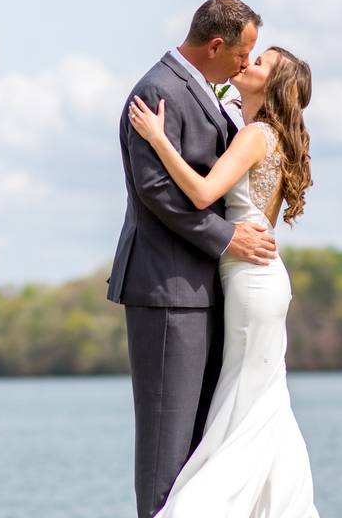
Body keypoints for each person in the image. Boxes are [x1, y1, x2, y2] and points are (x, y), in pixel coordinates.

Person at [128, 44, 319, 517]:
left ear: (270, 85)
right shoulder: (262, 129)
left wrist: (158, 138)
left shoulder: (256, 134)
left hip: (251, 281)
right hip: (264, 278)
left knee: (244, 405)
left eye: (258, 64)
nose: (245, 64)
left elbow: (201, 193)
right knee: (263, 402)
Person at [107, 0, 278, 518]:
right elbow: (157, 191)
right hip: (168, 292)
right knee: (167, 441)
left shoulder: (211, 92)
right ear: (217, 45)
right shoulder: (158, 91)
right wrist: (228, 239)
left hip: (209, 290)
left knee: (202, 443)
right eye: (243, 54)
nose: (246, 65)